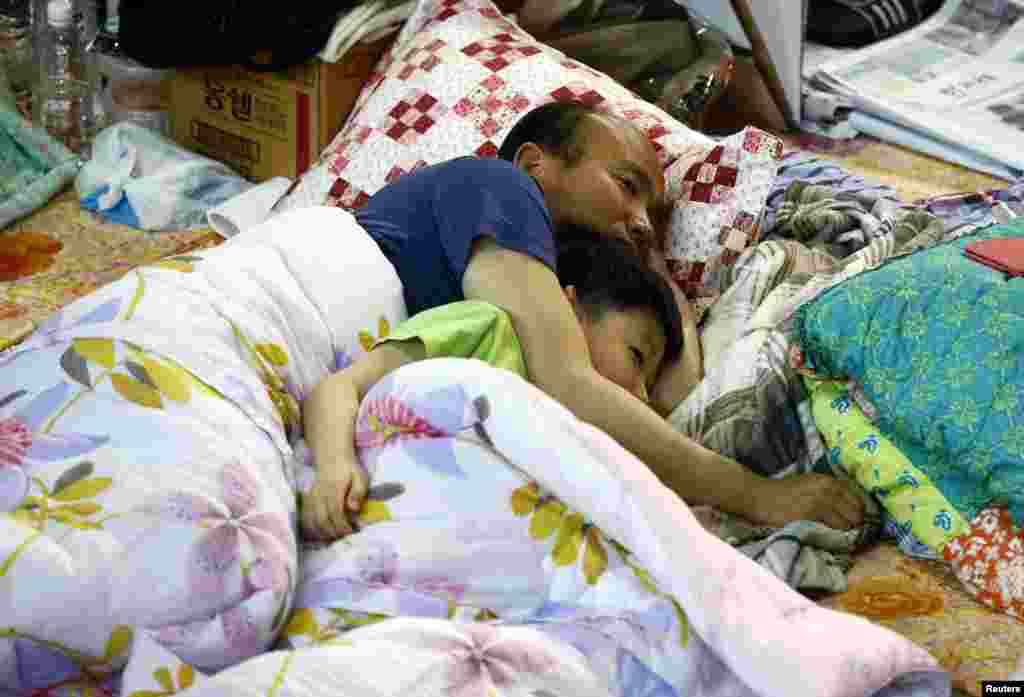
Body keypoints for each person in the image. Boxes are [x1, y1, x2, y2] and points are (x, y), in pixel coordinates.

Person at [305, 101, 866, 534]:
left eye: (654, 212)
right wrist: (758, 497)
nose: (644, 221)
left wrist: (656, 271)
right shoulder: (501, 187)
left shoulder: (490, 303)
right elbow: (570, 380)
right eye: (627, 186)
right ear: (534, 163)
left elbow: (674, 401)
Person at [302, 235, 685, 541]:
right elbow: (338, 388)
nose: (642, 397)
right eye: (637, 356)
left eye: (649, 385)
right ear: (568, 305)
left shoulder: (591, 438)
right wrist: (335, 466)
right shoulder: (486, 327)